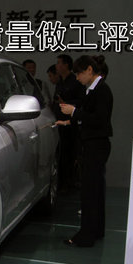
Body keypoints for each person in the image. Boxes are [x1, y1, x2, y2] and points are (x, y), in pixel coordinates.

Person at [56, 55, 113, 247]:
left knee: (89, 191)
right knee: (95, 190)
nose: (78, 78)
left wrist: (73, 112)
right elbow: (89, 116)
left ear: (89, 70)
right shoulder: (94, 90)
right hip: (94, 144)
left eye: (79, 73)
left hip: (96, 145)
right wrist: (69, 121)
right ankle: (96, 230)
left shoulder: (101, 90)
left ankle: (86, 235)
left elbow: (98, 119)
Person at [53, 54, 85, 191]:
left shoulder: (75, 81)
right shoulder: (60, 81)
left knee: (70, 153)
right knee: (60, 153)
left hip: (71, 123)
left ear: (66, 65)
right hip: (60, 121)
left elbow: (82, 101)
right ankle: (61, 183)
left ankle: (69, 183)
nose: (57, 66)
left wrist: (67, 104)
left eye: (59, 63)